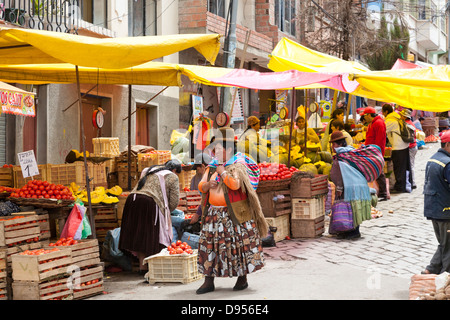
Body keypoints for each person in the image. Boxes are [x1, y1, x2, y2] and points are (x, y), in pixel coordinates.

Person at [196, 127, 268, 294]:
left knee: (238, 247)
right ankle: (208, 281)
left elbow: (235, 184)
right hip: (214, 216)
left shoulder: (237, 165)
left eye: (218, 148)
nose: (215, 151)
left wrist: (222, 173)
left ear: (228, 149)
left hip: (234, 216)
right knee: (210, 248)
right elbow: (201, 185)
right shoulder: (212, 166)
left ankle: (242, 279)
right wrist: (207, 185)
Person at [119, 160, 181, 274]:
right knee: (151, 236)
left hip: (132, 201)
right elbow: (174, 201)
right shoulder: (172, 176)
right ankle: (153, 269)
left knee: (140, 235)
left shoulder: (148, 170)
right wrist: (167, 211)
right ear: (174, 170)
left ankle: (143, 268)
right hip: (149, 203)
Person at [329, 131, 372, 239]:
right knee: (354, 207)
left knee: (350, 208)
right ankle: (350, 230)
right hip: (357, 184)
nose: (332, 147)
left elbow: (340, 175)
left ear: (338, 144)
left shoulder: (341, 156)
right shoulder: (350, 152)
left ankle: (353, 232)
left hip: (350, 185)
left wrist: (339, 188)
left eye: (333, 144)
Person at [422, 130, 450, 275]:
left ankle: (430, 270)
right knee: (448, 246)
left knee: (445, 243)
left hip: (433, 209)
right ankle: (447, 276)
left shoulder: (433, 159)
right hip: (445, 210)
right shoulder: (448, 163)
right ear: (448, 145)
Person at [382, 104, 411, 193]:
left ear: (386, 112)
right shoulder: (397, 117)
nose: (382, 114)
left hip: (398, 147)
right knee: (403, 167)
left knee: (399, 168)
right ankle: (404, 185)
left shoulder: (390, 120)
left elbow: (382, 130)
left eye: (383, 112)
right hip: (404, 146)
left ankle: (400, 187)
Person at [361, 106, 388, 201]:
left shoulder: (378, 123)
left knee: (379, 172)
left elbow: (380, 140)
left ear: (368, 115)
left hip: (375, 152)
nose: (364, 118)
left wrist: (377, 153)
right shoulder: (373, 123)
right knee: (377, 172)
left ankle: (384, 193)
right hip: (371, 151)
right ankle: (381, 192)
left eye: (364, 116)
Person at [400, 108, 418, 190]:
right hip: (413, 146)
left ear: (404, 116)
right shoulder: (411, 123)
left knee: (411, 165)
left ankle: (413, 182)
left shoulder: (406, 124)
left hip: (410, 147)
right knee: (411, 165)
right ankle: (411, 181)